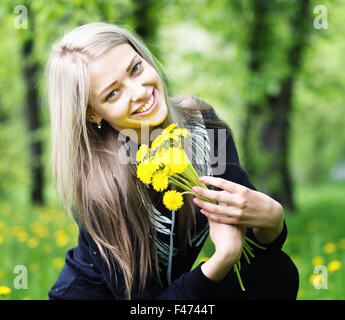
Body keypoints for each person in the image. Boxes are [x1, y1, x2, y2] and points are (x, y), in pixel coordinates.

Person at [46, 22, 299, 300]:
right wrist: (220, 261)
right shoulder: (100, 186)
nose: (139, 91)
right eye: (113, 93)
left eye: (135, 69)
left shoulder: (205, 129)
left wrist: (273, 221)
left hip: (171, 293)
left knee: (278, 272)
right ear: (93, 114)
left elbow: (256, 255)